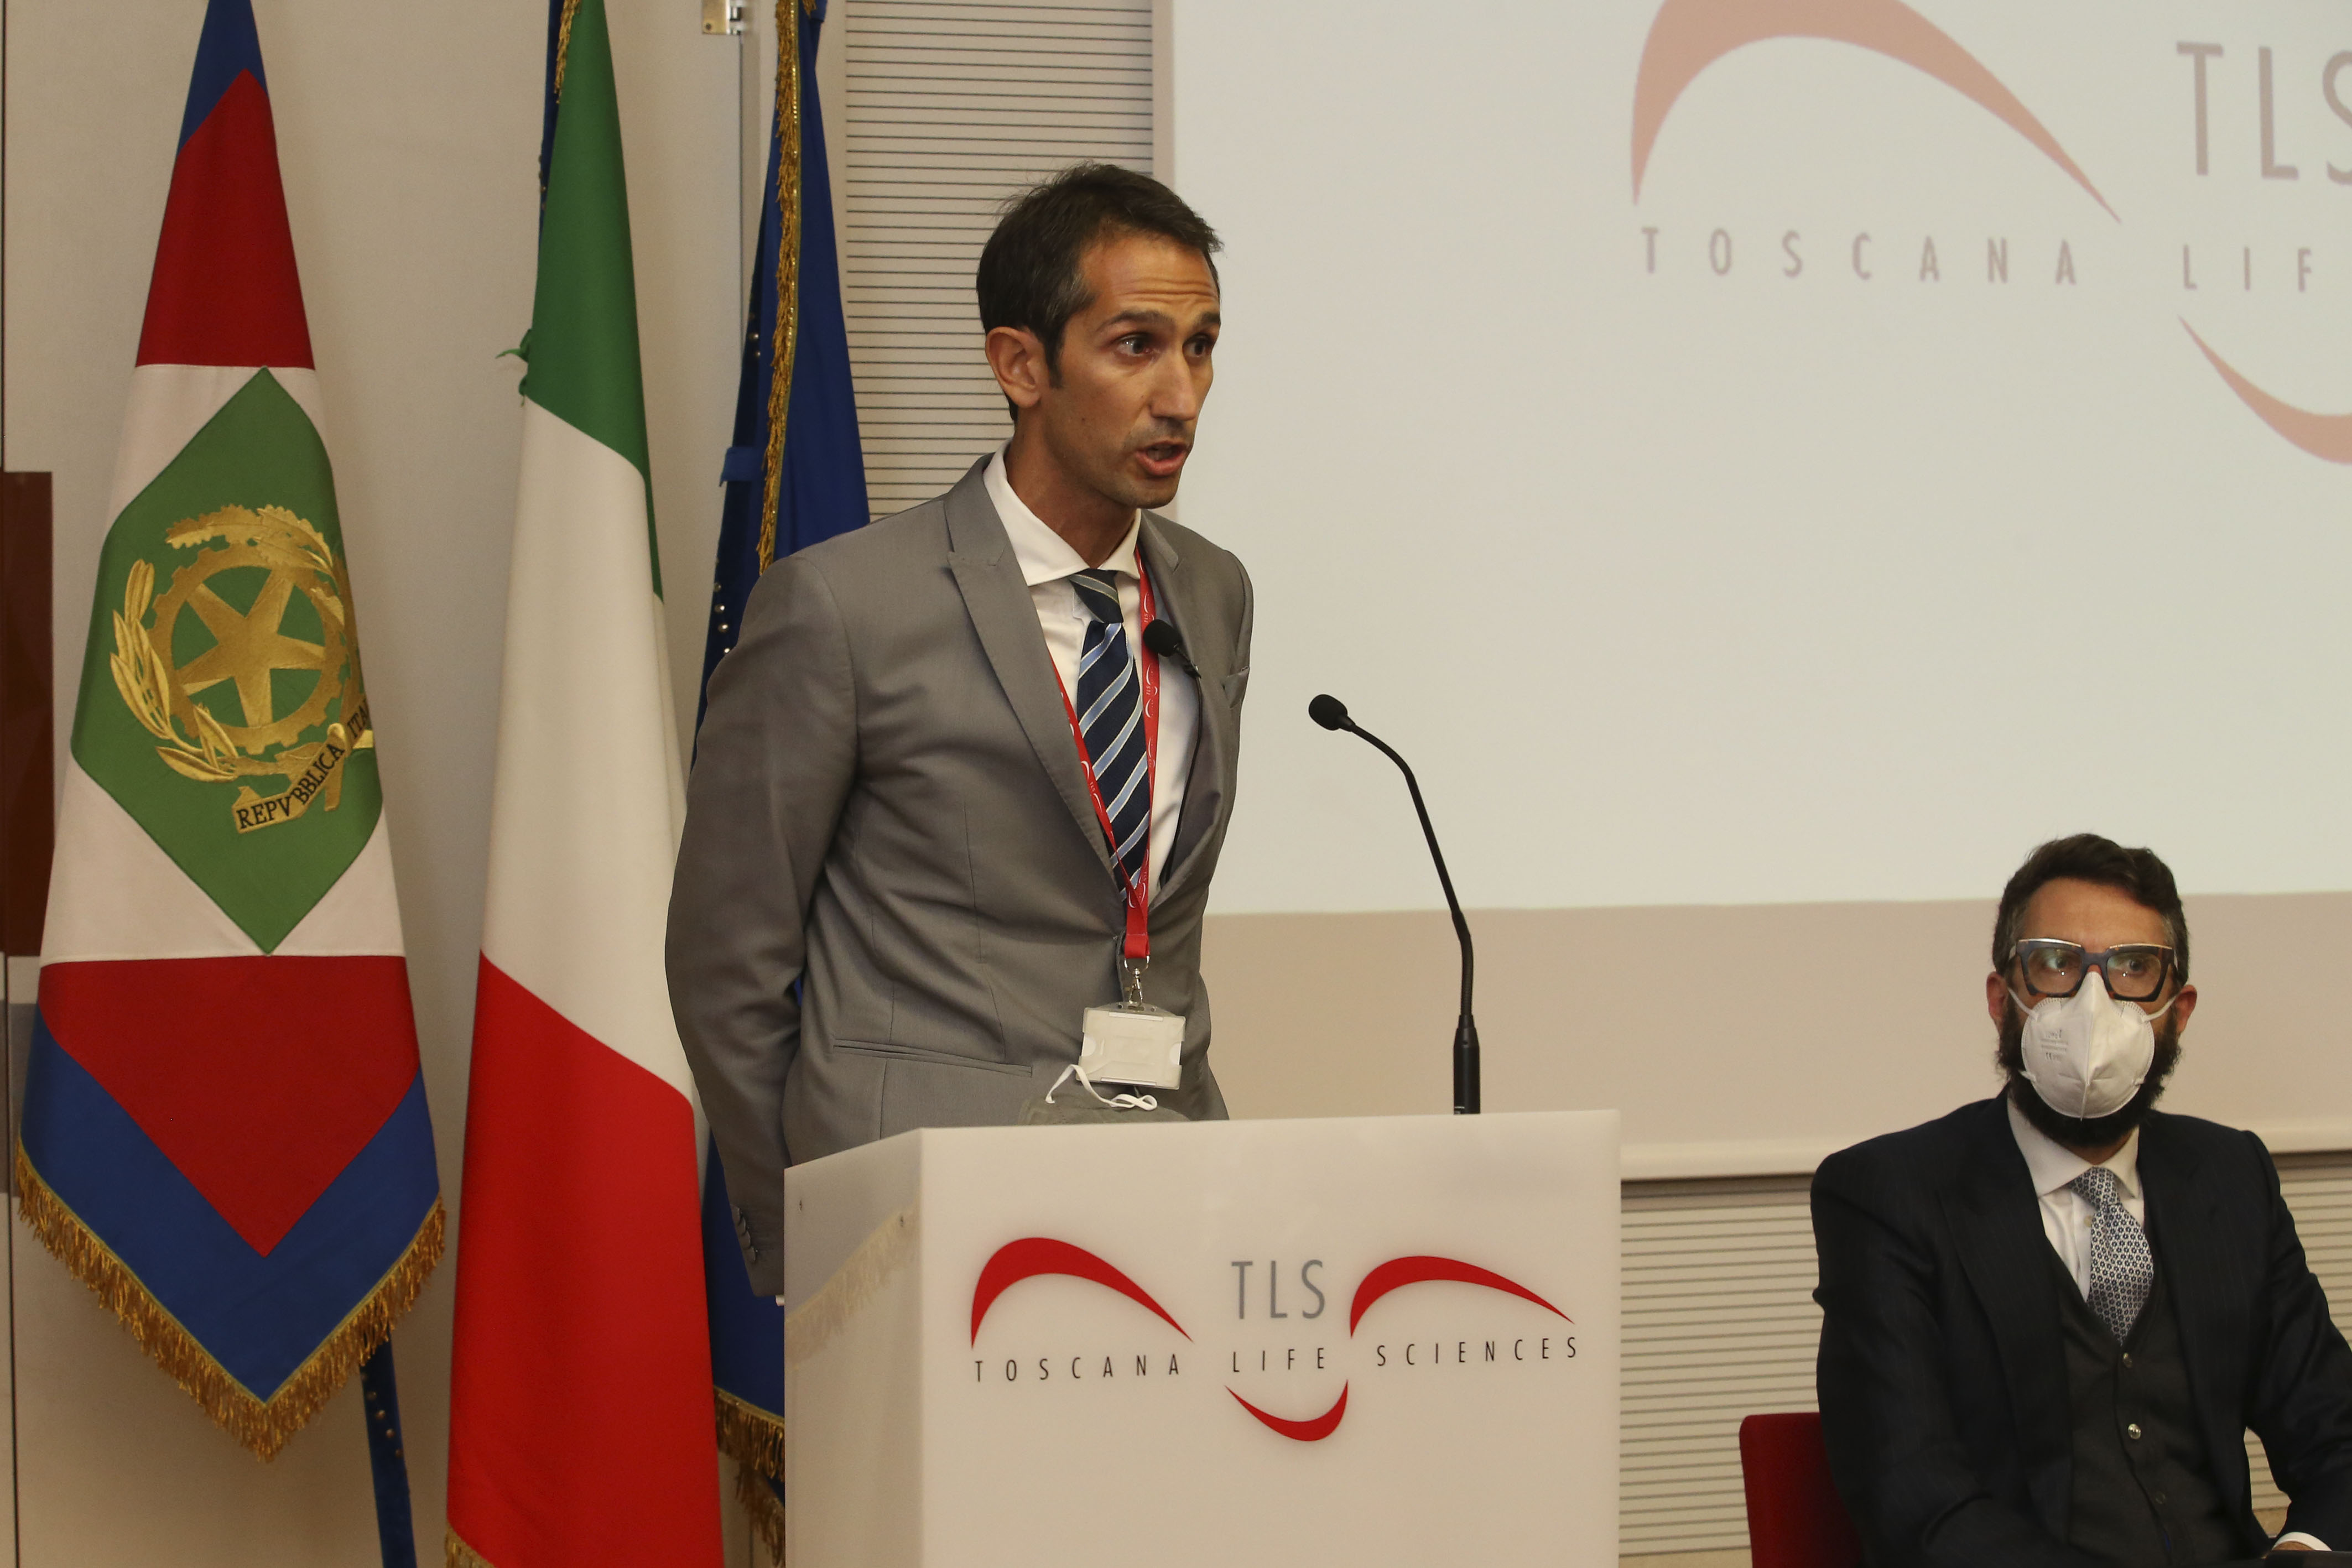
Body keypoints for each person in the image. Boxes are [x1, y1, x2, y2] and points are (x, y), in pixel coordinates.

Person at [668, 164, 1250, 1294]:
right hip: (920, 1223)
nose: (1181, 395)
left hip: (1170, 1193)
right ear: (1021, 365)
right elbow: (726, 959)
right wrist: (812, 1227)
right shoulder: (843, 606)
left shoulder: (1214, 591)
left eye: (1201, 346)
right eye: (1136, 345)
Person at [1813, 834, 2352, 1564]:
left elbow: (2337, 1434)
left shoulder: (2231, 1176)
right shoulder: (1890, 1195)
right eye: (2056, 964)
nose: (2092, 1003)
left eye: (2134, 968)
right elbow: (1915, 1501)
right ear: (2002, 1000)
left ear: (2178, 1010)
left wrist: (2304, 1553)